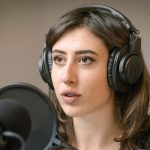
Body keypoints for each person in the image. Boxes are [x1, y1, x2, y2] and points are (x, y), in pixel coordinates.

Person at [39, 4, 150, 150]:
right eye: (59, 59)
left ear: (123, 70)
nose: (67, 77)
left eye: (85, 60)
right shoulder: (33, 143)